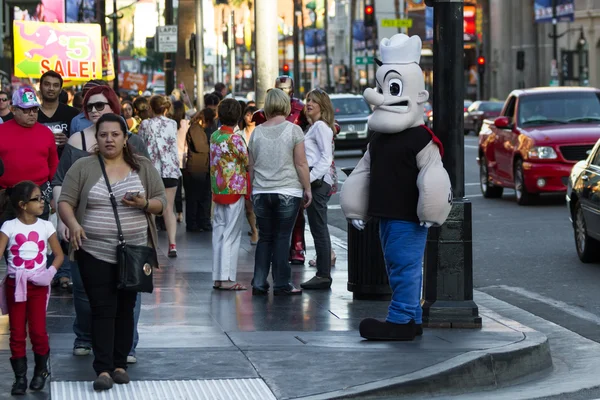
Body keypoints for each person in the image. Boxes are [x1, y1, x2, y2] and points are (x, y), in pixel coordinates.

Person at [58, 114, 166, 391]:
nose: (109, 139)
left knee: (126, 308)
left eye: (115, 134)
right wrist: (73, 224)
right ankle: (103, 368)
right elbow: (65, 202)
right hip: (93, 249)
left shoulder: (141, 166)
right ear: (97, 138)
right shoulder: (84, 166)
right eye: (103, 134)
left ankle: (120, 364)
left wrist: (144, 203)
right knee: (102, 308)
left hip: (134, 251)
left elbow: (161, 204)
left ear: (125, 138)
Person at [53, 85, 150, 360]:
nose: (94, 111)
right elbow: (61, 184)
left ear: (114, 108)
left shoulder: (135, 143)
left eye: (101, 106)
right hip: (87, 233)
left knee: (130, 292)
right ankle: (85, 337)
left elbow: (152, 189)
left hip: (130, 236)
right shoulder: (76, 143)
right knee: (87, 292)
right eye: (90, 107)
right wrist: (66, 220)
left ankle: (126, 346)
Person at [0, 181, 63, 395]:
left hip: (38, 285)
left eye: (42, 198)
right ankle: (20, 378)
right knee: (17, 332)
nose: (42, 202)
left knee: (37, 331)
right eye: (36, 199)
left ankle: (40, 371)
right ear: (22, 204)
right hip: (15, 284)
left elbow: (59, 254)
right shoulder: (9, 227)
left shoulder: (46, 226)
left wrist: (50, 273)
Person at [248, 88, 312, 296]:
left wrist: (252, 190)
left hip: (261, 191)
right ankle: (282, 283)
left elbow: (251, 165)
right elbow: (301, 164)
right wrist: (307, 188)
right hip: (287, 191)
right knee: (282, 237)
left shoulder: (256, 132)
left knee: (265, 237)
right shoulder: (293, 130)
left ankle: (259, 282)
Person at [0, 88, 58, 222]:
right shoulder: (1, 131)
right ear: (13, 109)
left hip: (39, 195)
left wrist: (55, 195)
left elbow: (54, 164)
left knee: (38, 238)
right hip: (7, 196)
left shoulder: (46, 133)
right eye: (26, 110)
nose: (32, 113)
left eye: (35, 109)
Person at [210, 99, 248, 290]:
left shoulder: (215, 136)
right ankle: (227, 278)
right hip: (234, 189)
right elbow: (247, 160)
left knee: (218, 232)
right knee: (231, 235)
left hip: (218, 189)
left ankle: (218, 277)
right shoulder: (236, 139)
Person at [300, 89, 336, 290]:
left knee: (319, 228)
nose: (309, 104)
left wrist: (309, 179)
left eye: (313, 101)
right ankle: (322, 274)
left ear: (322, 105)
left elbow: (325, 159)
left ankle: (323, 275)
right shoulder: (315, 127)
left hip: (318, 182)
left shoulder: (321, 127)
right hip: (316, 180)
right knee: (316, 227)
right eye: (308, 100)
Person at [138, 95, 181, 257]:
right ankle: (172, 244)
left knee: (151, 207)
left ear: (151, 107)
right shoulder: (172, 123)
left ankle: (152, 245)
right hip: (170, 170)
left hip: (152, 170)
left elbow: (141, 144)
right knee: (168, 208)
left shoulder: (145, 124)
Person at [184, 108, 214, 232]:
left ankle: (202, 221)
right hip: (197, 168)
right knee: (195, 198)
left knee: (203, 197)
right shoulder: (195, 129)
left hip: (203, 167)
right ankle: (194, 223)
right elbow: (200, 147)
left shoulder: (198, 129)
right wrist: (214, 146)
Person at [37, 71, 80, 152]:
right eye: (47, 84)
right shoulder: (32, 114)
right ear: (40, 87)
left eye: (56, 85)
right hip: (40, 162)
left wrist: (69, 142)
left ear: (60, 89)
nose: (51, 88)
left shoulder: (72, 113)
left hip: (66, 163)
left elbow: (81, 144)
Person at [239, 105, 259, 245]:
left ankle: (259, 228)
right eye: (247, 114)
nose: (249, 117)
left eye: (252, 115)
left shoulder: (261, 132)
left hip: (259, 172)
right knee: (248, 206)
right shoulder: (239, 134)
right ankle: (254, 230)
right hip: (244, 173)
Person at [171, 101, 189, 223]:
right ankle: (185, 214)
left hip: (173, 159)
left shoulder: (170, 124)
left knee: (176, 188)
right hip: (185, 158)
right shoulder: (187, 124)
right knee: (187, 188)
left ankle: (179, 212)